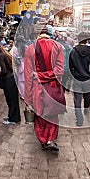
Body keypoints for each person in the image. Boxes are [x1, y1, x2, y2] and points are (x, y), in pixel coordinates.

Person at [24, 23, 66, 151]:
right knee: (52, 115)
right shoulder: (58, 46)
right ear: (48, 33)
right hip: (53, 88)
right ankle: (50, 139)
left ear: (37, 34)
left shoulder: (30, 49)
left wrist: (27, 100)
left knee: (40, 115)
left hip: (37, 89)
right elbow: (60, 71)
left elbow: (28, 77)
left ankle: (43, 140)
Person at [69, 32, 90, 126]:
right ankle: (86, 108)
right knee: (87, 97)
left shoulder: (73, 51)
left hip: (77, 79)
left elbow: (70, 66)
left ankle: (79, 119)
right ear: (87, 40)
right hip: (89, 79)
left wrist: (74, 75)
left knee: (77, 100)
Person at [0, 44, 21, 125]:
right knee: (14, 99)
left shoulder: (0, 55)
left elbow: (3, 70)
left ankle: (12, 119)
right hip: (13, 78)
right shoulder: (5, 53)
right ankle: (15, 117)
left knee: (10, 99)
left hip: (8, 80)